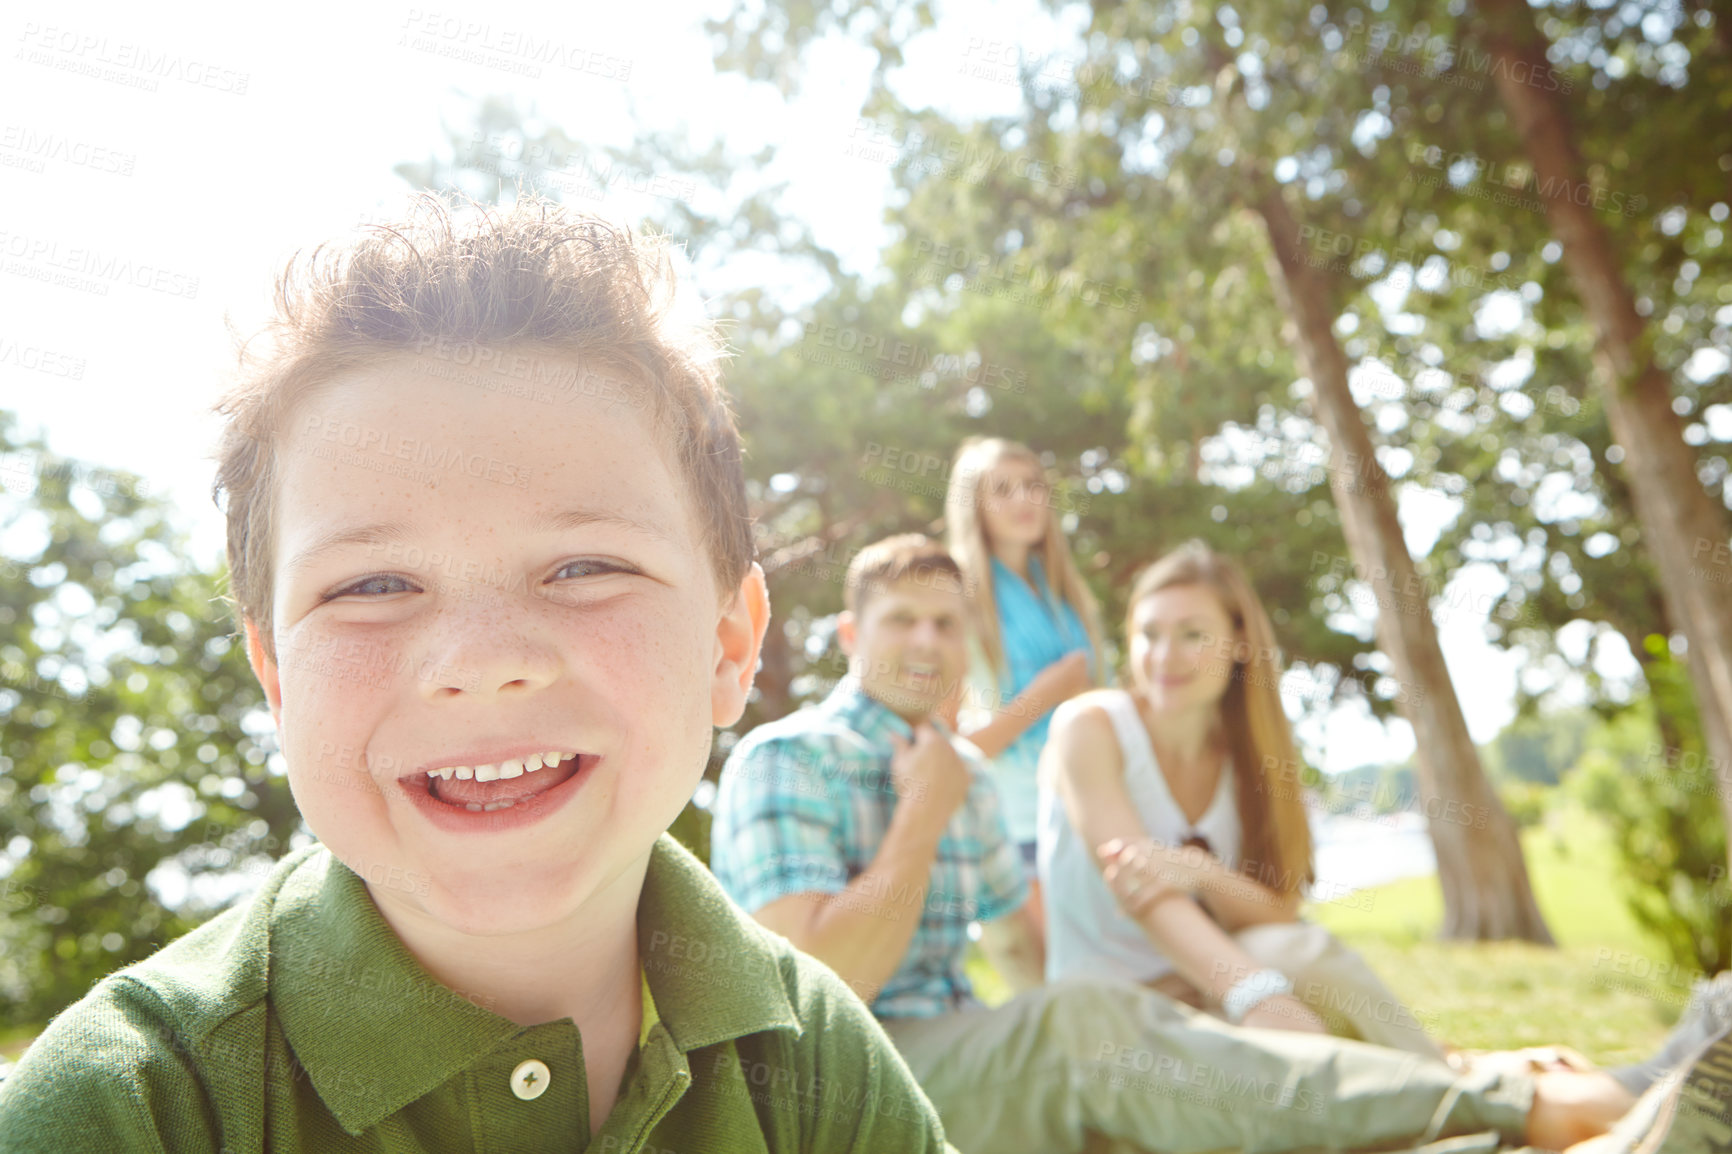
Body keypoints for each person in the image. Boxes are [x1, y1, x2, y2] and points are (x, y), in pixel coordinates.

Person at [0, 196, 953, 1152]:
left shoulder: (819, 1063)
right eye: (373, 584)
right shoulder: (129, 1107)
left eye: (585, 567)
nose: (483, 662)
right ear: (278, 678)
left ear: (729, 647)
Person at [710, 534, 1653, 1154]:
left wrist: (1166, 1023)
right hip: (835, 1089)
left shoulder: (954, 773)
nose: (928, 642)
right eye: (900, 621)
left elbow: (1019, 948)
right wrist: (922, 813)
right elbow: (818, 998)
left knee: (1168, 1036)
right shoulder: (788, 758)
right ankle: (1509, 1107)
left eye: (948, 623)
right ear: (847, 633)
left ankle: (1470, 1113)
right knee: (1086, 1028)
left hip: (964, 1054)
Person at [1039, 540, 1443, 1057]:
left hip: (1206, 985)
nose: (1164, 656)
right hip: (1115, 1009)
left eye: (1192, 635)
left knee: (1299, 950)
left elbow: (1280, 908)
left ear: (1238, 643)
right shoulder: (1090, 727)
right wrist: (1257, 995)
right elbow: (1141, 887)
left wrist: (1199, 871)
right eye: (1149, 634)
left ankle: (1448, 1082)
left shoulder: (1252, 757)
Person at [944, 436, 1104, 945]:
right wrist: (1048, 691)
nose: (1025, 500)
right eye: (1004, 489)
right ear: (975, 505)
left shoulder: (1063, 592)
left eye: (1034, 486)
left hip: (1092, 807)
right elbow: (958, 751)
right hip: (1019, 826)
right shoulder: (958, 602)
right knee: (1068, 990)